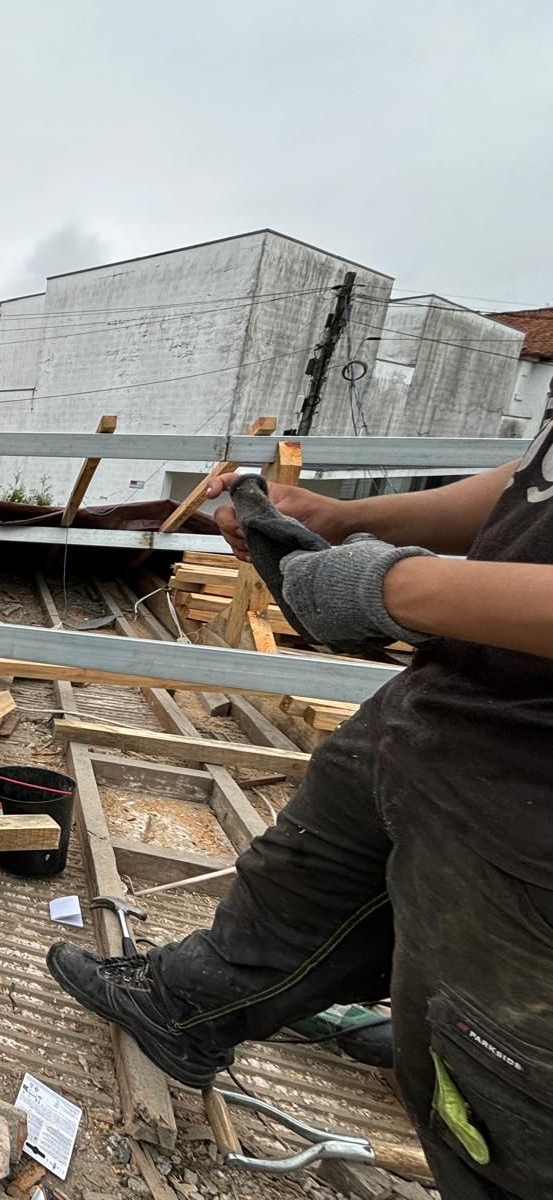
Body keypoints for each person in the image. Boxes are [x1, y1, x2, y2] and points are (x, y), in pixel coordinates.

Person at [47, 430, 553, 1200]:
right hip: (452, 707)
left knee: (488, 1112)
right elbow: (532, 483)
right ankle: (183, 1008)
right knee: (299, 879)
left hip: (533, 822)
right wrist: (346, 518)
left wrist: (391, 587)